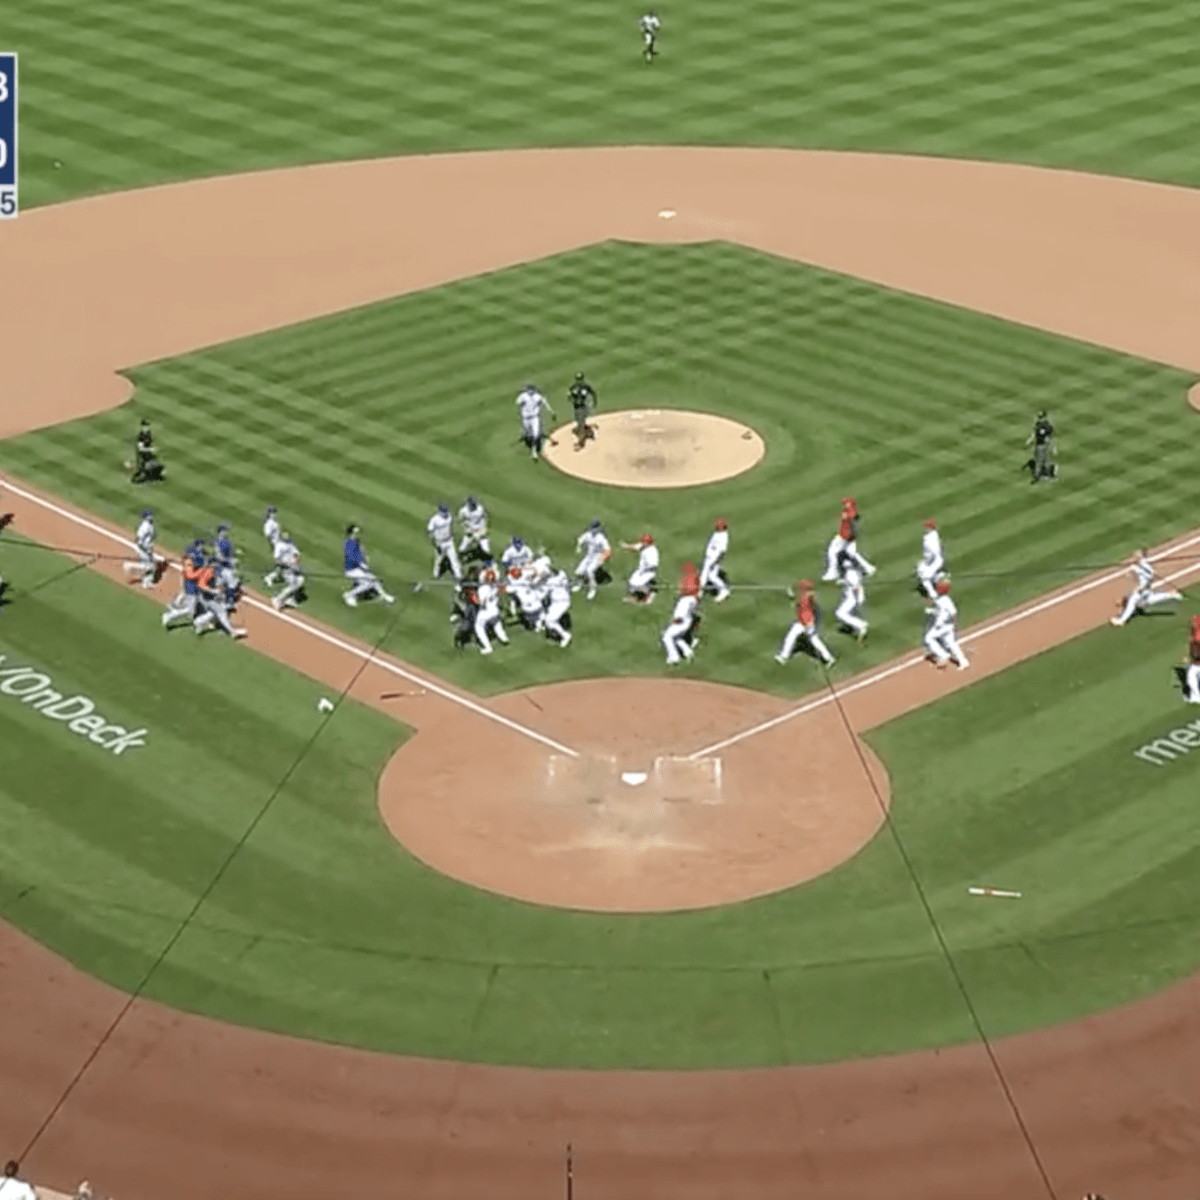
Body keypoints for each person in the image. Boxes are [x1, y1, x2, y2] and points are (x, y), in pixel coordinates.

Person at [1110, 548, 1182, 626]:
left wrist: (1135, 569)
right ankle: (1170, 594)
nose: (1137, 558)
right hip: (1147, 589)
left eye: (1138, 557)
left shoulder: (1144, 567)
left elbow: (1141, 572)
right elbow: (1143, 571)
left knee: (1132, 601)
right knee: (1150, 598)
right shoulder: (1147, 566)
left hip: (1143, 589)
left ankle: (1122, 620)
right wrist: (1136, 567)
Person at [775, 579, 836, 667]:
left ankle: (784, 657)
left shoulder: (805, 599)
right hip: (804, 622)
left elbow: (807, 614)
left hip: (806, 624)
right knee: (798, 638)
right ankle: (829, 658)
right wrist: (791, 595)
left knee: (811, 640)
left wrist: (810, 627)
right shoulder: (808, 596)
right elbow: (797, 599)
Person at [823, 496, 875, 582]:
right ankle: (868, 568)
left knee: (832, 552)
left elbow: (853, 516)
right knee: (852, 553)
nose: (844, 505)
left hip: (844, 537)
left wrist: (845, 537)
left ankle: (833, 573)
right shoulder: (849, 512)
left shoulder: (850, 513)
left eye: (846, 503)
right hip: (847, 537)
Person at [342, 524, 396, 606]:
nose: (357, 534)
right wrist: (362, 567)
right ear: (351, 533)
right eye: (355, 532)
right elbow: (352, 558)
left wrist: (364, 560)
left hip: (359, 568)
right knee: (368, 583)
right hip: (352, 570)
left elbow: (361, 553)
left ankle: (384, 596)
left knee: (374, 581)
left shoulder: (356, 541)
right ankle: (349, 595)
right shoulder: (349, 543)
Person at [924, 578, 968, 670]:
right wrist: (932, 611)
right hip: (946, 626)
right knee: (951, 644)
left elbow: (953, 613)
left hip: (943, 627)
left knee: (929, 638)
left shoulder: (945, 600)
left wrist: (955, 627)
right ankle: (963, 661)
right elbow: (941, 612)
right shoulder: (940, 599)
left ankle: (943, 655)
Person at [662, 577, 700, 665]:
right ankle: (687, 652)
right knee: (677, 637)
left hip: (681, 622)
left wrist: (675, 621)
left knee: (667, 637)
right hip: (687, 622)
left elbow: (680, 615)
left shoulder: (685, 601)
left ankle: (674, 657)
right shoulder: (693, 599)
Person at [515, 383, 555, 461]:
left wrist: (551, 411)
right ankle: (525, 435)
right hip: (526, 418)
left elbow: (545, 402)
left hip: (534, 418)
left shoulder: (537, 396)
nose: (530, 391)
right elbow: (517, 402)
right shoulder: (524, 396)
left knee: (535, 435)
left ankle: (534, 451)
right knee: (529, 434)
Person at [573, 519, 611, 600]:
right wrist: (578, 547)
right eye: (592, 527)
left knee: (589, 571)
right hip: (589, 556)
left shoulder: (601, 538)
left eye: (595, 528)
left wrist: (602, 558)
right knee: (579, 570)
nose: (593, 529)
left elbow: (608, 549)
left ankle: (592, 589)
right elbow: (580, 539)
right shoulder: (588, 534)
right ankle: (580, 584)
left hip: (598, 557)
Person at [122, 508, 160, 588]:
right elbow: (140, 537)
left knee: (151, 565)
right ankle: (129, 565)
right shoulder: (145, 525)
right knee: (149, 566)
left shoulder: (149, 524)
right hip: (144, 547)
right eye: (149, 515)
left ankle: (146, 582)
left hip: (147, 547)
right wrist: (143, 548)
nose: (151, 516)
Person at [427, 503, 463, 581]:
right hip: (440, 542)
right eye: (444, 511)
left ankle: (458, 575)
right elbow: (430, 532)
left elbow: (450, 527)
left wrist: (453, 535)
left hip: (449, 541)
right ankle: (435, 575)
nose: (445, 513)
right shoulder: (434, 519)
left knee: (454, 558)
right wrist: (436, 544)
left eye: (446, 511)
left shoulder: (449, 516)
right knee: (439, 560)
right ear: (439, 511)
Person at [699, 518, 731, 602]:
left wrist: (713, 561)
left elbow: (721, 550)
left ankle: (699, 591)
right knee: (711, 576)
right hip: (710, 557)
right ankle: (723, 590)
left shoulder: (723, 537)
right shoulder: (718, 534)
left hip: (713, 558)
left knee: (706, 574)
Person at [271, 531, 305, 610]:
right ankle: (278, 598)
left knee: (300, 581)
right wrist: (288, 564)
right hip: (286, 570)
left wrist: (296, 561)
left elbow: (295, 553)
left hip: (294, 569)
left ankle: (291, 599)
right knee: (294, 585)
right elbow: (277, 559)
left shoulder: (289, 543)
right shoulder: (279, 546)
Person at [622, 532, 659, 603]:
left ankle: (648, 597)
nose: (641, 543)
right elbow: (636, 547)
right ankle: (635, 597)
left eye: (643, 542)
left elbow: (653, 564)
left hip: (648, 572)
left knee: (637, 584)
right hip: (641, 570)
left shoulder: (652, 551)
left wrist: (645, 570)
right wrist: (626, 546)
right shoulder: (644, 546)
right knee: (632, 582)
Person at [1023, 409, 1057, 482]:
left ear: (1045, 417)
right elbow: (1034, 433)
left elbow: (1051, 437)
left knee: (1041, 460)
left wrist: (1054, 448)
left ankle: (1037, 476)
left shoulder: (1048, 426)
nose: (1040, 418)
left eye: (1041, 417)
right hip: (1038, 444)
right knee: (1042, 459)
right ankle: (1047, 474)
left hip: (1044, 445)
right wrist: (1030, 440)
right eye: (1039, 417)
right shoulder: (1038, 424)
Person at [915, 518, 945, 600]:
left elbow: (935, 552)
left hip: (934, 562)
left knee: (925, 577)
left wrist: (929, 559)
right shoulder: (933, 534)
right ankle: (937, 577)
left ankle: (933, 594)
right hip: (932, 561)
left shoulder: (930, 539)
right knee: (920, 568)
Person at [567, 373, 598, 450]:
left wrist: (594, 402)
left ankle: (580, 443)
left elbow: (593, 393)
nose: (579, 381)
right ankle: (584, 430)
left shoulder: (584, 387)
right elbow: (568, 396)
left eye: (580, 379)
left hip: (582, 407)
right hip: (577, 408)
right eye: (578, 379)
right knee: (579, 422)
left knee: (580, 424)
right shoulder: (574, 387)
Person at [457, 496, 491, 562]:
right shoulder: (463, 511)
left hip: (480, 530)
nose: (472, 506)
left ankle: (487, 561)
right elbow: (460, 520)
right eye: (470, 504)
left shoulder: (480, 509)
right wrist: (466, 527)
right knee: (462, 547)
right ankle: (459, 558)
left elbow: (485, 518)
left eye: (473, 504)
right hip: (470, 530)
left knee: (486, 548)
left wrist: (484, 529)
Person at [130, 418, 164, 483]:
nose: (147, 427)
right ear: (142, 426)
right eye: (145, 426)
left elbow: (150, 443)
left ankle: (152, 475)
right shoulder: (141, 436)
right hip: (142, 455)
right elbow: (141, 448)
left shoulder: (149, 433)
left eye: (147, 425)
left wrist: (152, 448)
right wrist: (150, 449)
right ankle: (142, 476)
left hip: (148, 453)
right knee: (143, 471)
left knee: (157, 464)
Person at [262, 505, 283, 587]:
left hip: (279, 544)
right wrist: (273, 545)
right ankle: (269, 578)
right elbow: (267, 535)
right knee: (280, 562)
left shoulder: (273, 522)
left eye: (274, 512)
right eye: (272, 512)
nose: (274, 514)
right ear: (269, 513)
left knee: (281, 562)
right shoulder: (269, 523)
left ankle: (276, 575)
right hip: (276, 545)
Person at [1183, 616, 1200, 704]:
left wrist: (1193, 657)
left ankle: (1196, 697)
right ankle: (1195, 696)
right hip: (1196, 662)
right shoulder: (1195, 637)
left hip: (1197, 663)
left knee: (1191, 677)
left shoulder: (1197, 638)